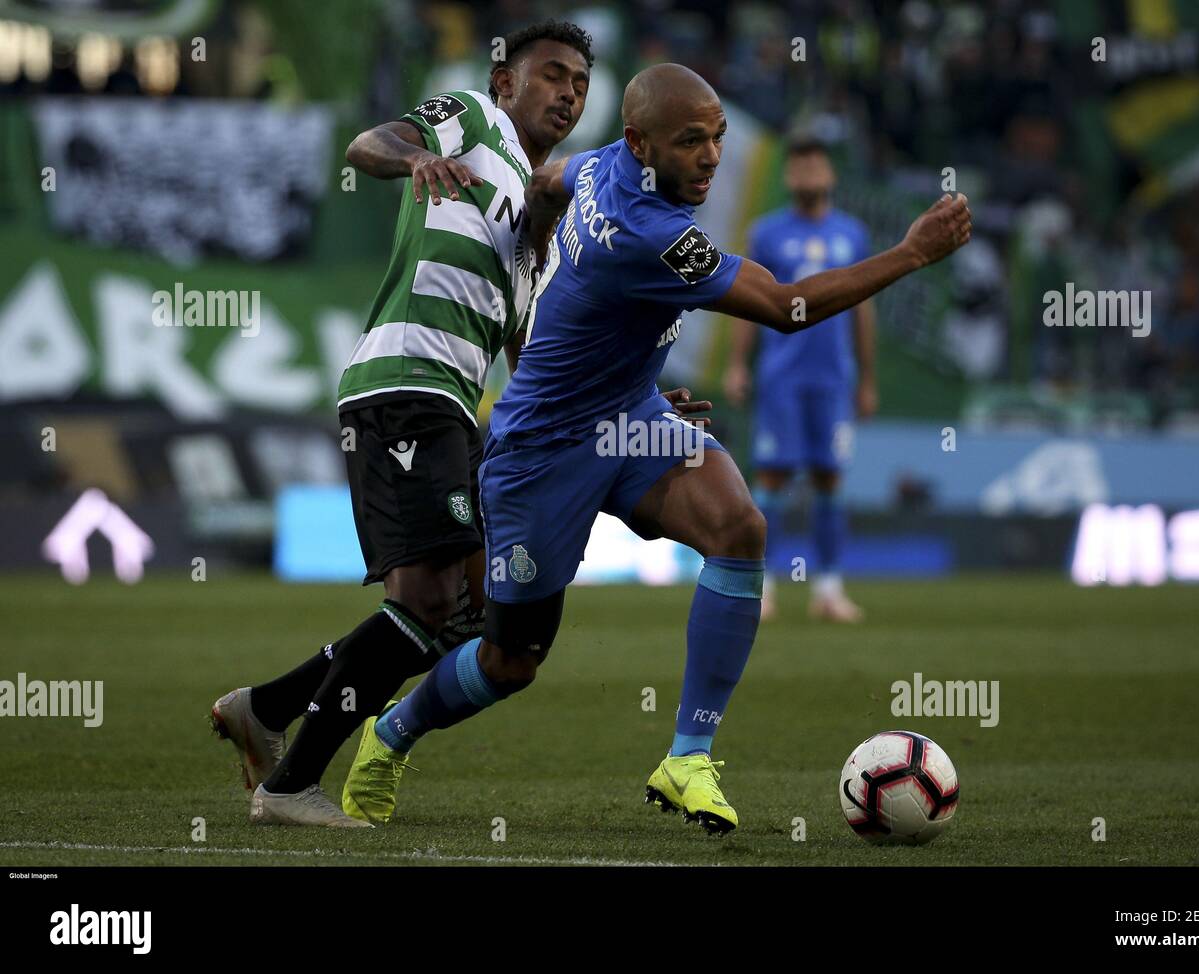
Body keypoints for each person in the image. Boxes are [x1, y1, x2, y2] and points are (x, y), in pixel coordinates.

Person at [342, 63, 972, 834]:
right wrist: (910, 254)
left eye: (717, 138)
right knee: (512, 661)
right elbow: (785, 306)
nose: (709, 156)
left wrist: (540, 263)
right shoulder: (652, 236)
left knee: (740, 528)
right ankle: (391, 732)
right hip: (541, 450)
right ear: (644, 144)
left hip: (629, 419)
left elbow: (546, 183)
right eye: (690, 142)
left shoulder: (604, 160)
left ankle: (687, 756)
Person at [210, 20, 593, 827]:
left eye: (580, 84)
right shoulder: (469, 120)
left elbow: (531, 360)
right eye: (552, 74)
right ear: (505, 85)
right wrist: (414, 156)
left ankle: (269, 709)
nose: (567, 92)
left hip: (452, 406)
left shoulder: (533, 232)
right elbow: (367, 143)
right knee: (424, 600)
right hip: (405, 382)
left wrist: (635, 411)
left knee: (472, 608)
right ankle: (289, 788)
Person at [725, 135, 877, 622]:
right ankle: (761, 587)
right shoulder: (766, 233)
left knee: (830, 477)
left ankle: (829, 590)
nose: (808, 172)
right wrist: (736, 364)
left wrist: (867, 377)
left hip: (833, 378)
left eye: (816, 162)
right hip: (781, 377)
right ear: (789, 176)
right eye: (799, 164)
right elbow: (748, 301)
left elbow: (862, 308)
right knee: (773, 476)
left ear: (830, 173)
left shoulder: (852, 235)